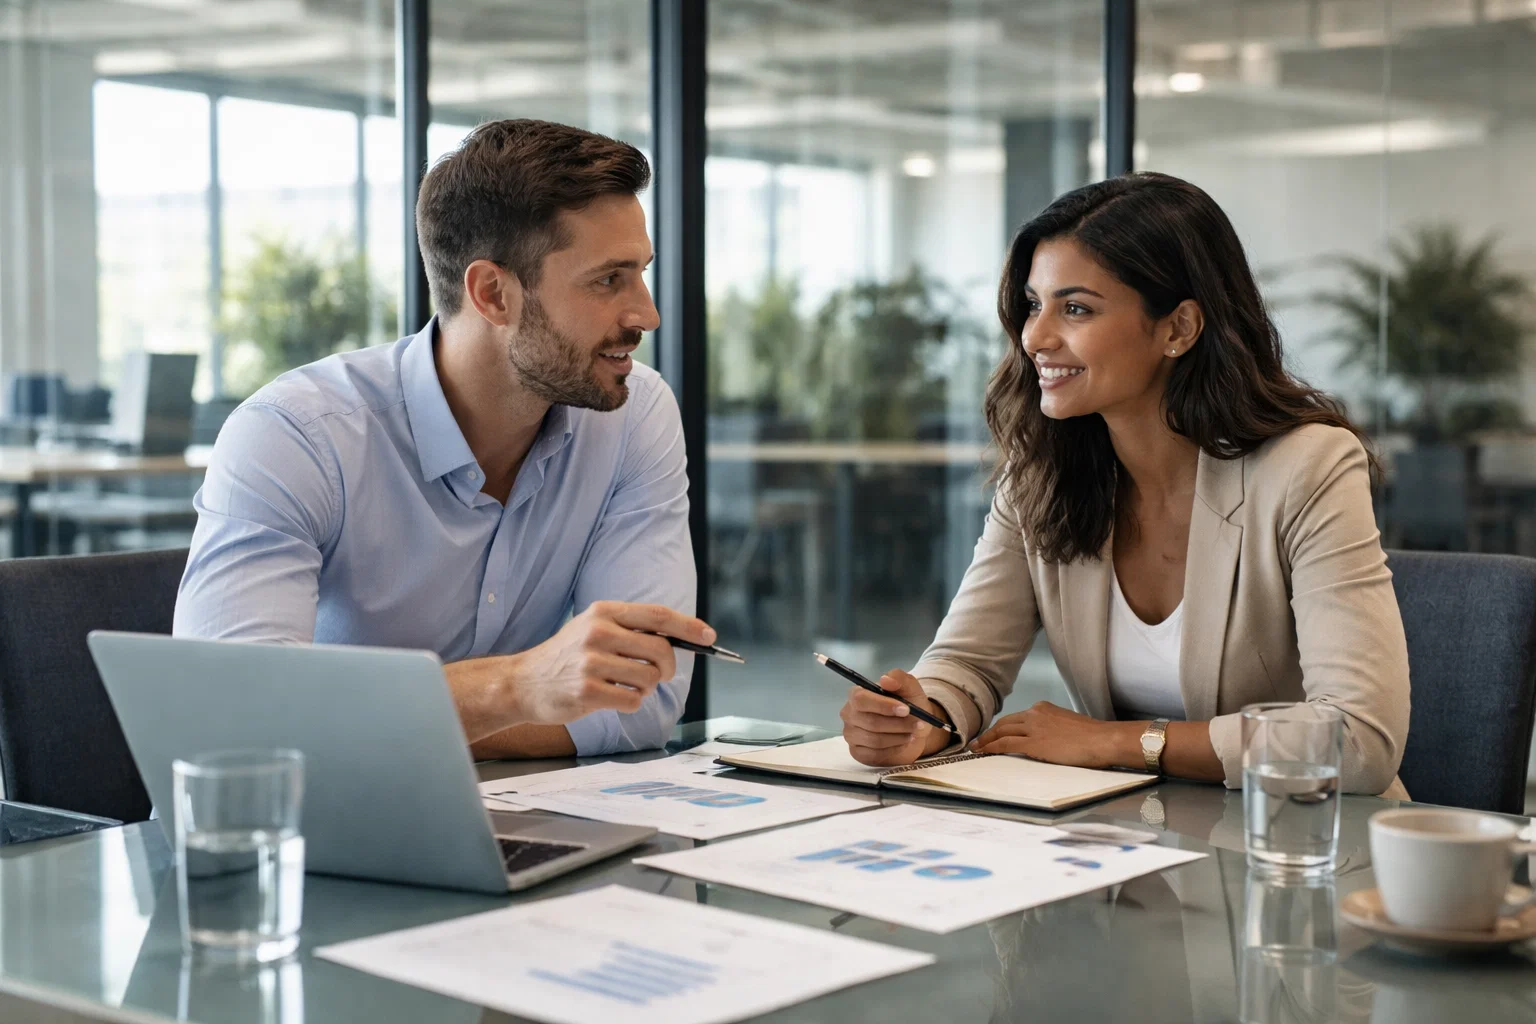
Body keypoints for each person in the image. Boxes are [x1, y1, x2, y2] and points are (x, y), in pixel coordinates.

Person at [838, 172, 1410, 797]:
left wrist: (1122, 741)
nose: (1035, 337)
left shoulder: (1309, 467)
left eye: (1075, 308)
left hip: (1302, 850)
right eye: (1034, 304)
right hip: (1130, 846)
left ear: (1178, 329)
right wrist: (922, 720)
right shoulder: (1043, 474)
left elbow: (1357, 739)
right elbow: (968, 663)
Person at [175, 119, 713, 758]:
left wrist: (377, 725)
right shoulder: (296, 435)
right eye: (608, 280)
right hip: (294, 839)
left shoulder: (634, 414)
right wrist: (517, 687)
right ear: (492, 293)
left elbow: (639, 701)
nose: (646, 314)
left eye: (641, 273)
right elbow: (228, 725)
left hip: (502, 816)